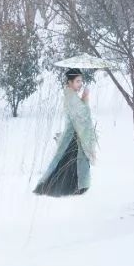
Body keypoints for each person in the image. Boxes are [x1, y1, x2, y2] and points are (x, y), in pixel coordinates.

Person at [33, 68, 98, 196]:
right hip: (73, 135)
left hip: (75, 134)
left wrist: (83, 99)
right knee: (70, 163)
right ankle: (67, 188)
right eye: (77, 81)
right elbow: (83, 114)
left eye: (81, 81)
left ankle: (71, 187)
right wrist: (85, 99)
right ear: (70, 82)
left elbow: (81, 113)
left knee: (69, 162)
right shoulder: (70, 96)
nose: (80, 84)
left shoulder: (71, 95)